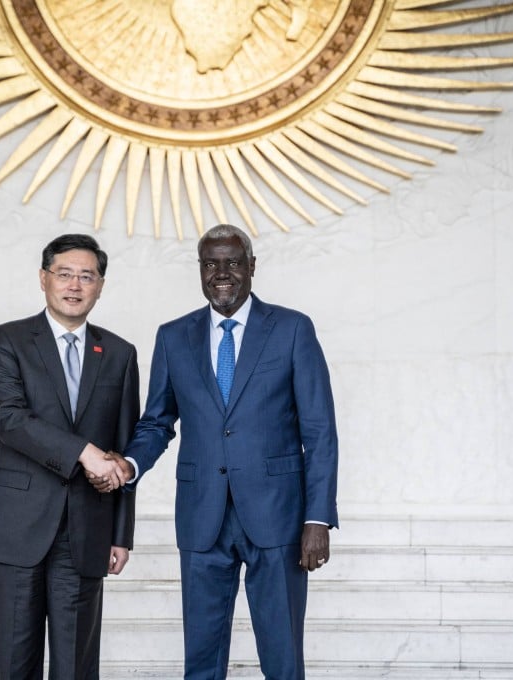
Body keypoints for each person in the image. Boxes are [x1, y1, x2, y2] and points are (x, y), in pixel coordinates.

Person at [92, 223, 339, 679]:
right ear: (200, 271)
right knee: (201, 660)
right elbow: (157, 420)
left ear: (251, 267)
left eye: (231, 262)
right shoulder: (173, 336)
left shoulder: (291, 329)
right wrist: (129, 463)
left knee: (283, 658)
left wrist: (317, 518)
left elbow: (320, 430)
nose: (221, 273)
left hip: (278, 516)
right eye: (210, 264)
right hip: (202, 515)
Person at [0, 233, 140, 680]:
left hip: (86, 529)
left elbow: (123, 447)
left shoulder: (119, 353)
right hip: (15, 526)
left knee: (76, 665)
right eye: (64, 274)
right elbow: (11, 420)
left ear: (101, 285)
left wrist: (121, 533)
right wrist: (84, 452)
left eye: (87, 276)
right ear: (44, 279)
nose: (75, 285)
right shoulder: (7, 340)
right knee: (16, 662)